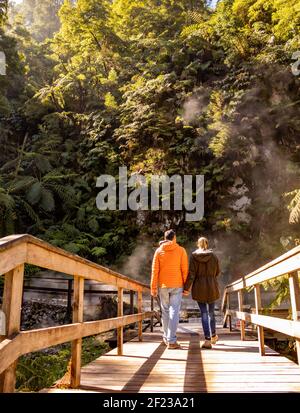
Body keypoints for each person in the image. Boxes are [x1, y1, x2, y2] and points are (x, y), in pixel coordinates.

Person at [151, 229, 188, 349]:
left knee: (165, 311)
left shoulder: (159, 251)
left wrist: (153, 288)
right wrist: (187, 287)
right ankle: (171, 340)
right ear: (174, 237)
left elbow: (154, 271)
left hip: (163, 286)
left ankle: (167, 337)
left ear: (165, 237)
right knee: (174, 311)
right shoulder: (181, 250)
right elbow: (184, 270)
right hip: (177, 285)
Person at [183, 237, 221, 349]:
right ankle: (214, 335)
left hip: (199, 287)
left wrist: (186, 288)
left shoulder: (194, 257)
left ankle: (208, 340)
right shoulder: (213, 256)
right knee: (211, 313)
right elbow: (217, 271)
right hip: (212, 287)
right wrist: (211, 277)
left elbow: (191, 274)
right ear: (207, 244)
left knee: (204, 313)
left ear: (197, 244)